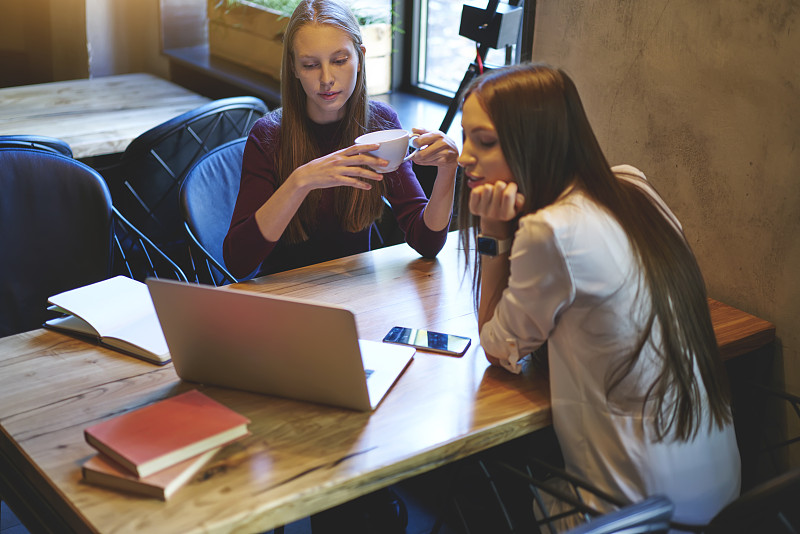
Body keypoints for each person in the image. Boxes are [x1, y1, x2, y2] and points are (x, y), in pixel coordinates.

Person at [456, 63, 740, 529]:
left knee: (476, 475)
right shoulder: (632, 186)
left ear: (536, 140)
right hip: (722, 492)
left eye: (484, 141)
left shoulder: (549, 231)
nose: (466, 155)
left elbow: (495, 345)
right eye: (465, 136)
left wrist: (492, 234)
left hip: (633, 513)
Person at [223, 0, 458, 278]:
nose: (326, 79)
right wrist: (301, 181)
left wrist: (448, 169)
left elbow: (426, 243)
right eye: (310, 65)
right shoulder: (269, 136)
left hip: (358, 291)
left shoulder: (379, 125)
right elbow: (238, 262)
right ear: (294, 68)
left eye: (339, 61)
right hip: (287, 296)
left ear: (360, 58)